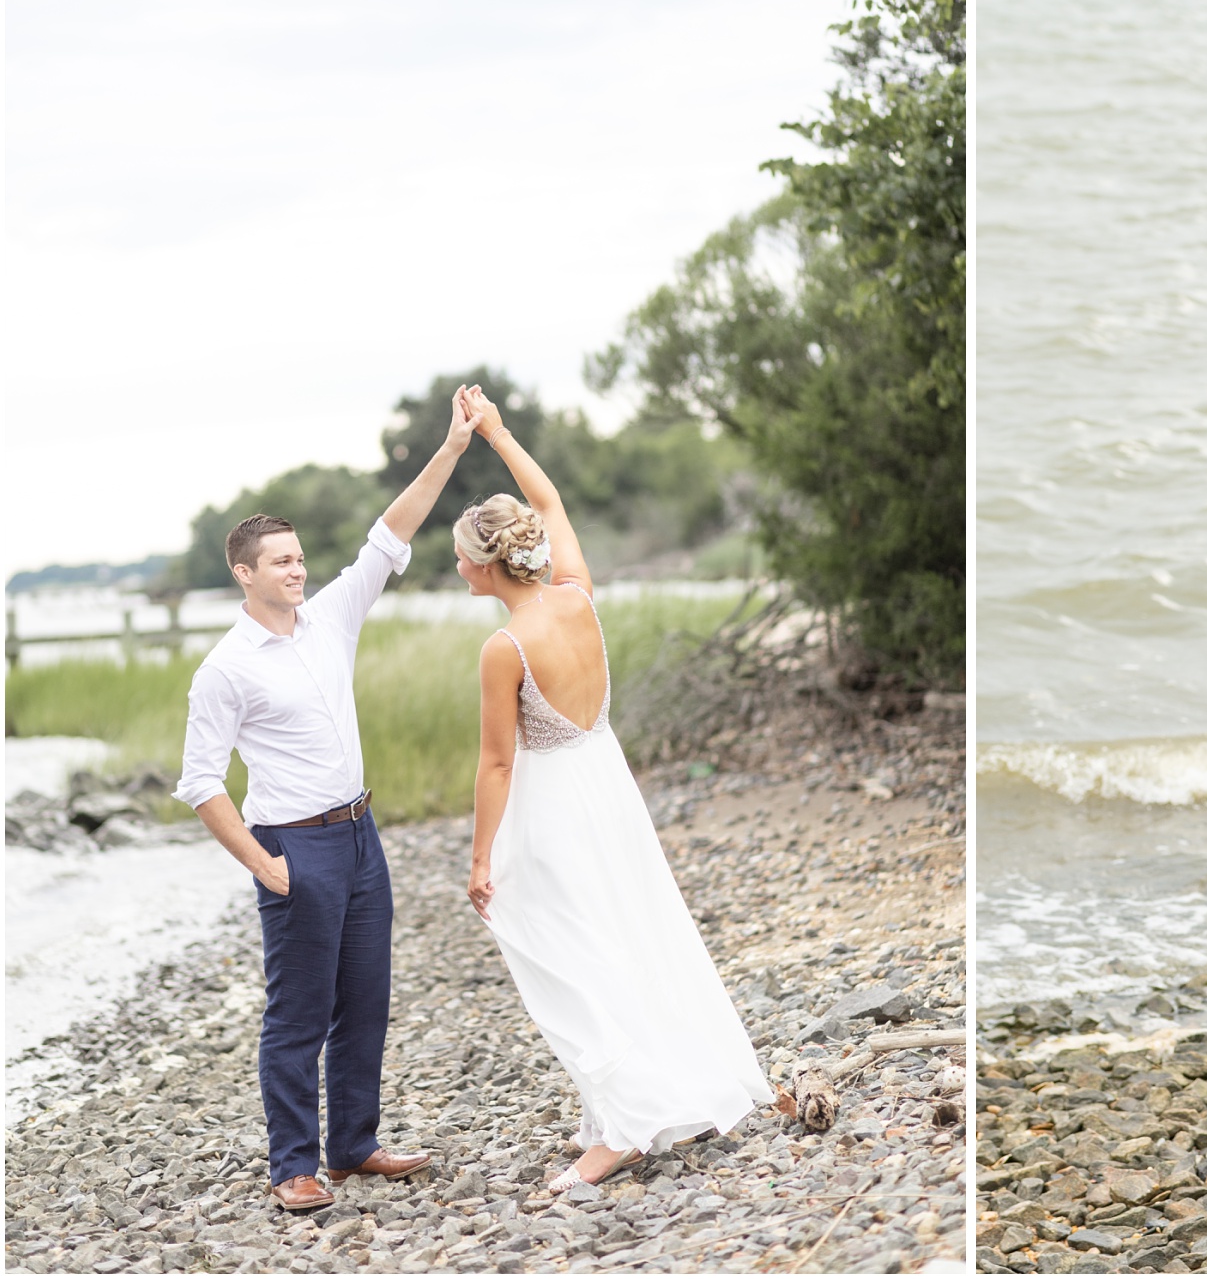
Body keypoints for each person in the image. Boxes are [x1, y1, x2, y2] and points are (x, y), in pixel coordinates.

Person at [174, 387, 483, 1210]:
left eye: (300, 556)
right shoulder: (226, 667)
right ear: (243, 573)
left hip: (360, 836)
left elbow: (392, 532)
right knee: (298, 1015)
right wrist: (263, 864)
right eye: (280, 560)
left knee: (366, 1001)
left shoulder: (332, 617)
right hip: (293, 847)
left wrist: (451, 448)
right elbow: (201, 780)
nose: (297, 568)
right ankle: (294, 1166)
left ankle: (352, 1145)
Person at [454, 387, 770, 1193]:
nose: (455, 566)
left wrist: (480, 856)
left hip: (553, 807)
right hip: (609, 787)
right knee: (618, 934)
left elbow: (496, 764)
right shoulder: (579, 597)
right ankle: (621, 1104)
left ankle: (623, 1124)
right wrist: (496, 431)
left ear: (488, 565)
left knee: (567, 957)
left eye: (460, 554)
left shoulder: (503, 645)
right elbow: (549, 498)